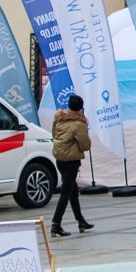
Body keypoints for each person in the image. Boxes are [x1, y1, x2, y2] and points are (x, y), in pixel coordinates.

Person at [50, 94, 93, 237]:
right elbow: (85, 145)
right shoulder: (79, 124)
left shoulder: (59, 119)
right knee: (66, 193)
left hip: (60, 159)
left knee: (72, 191)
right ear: (81, 108)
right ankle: (56, 224)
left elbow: (54, 135)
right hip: (71, 161)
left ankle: (80, 220)